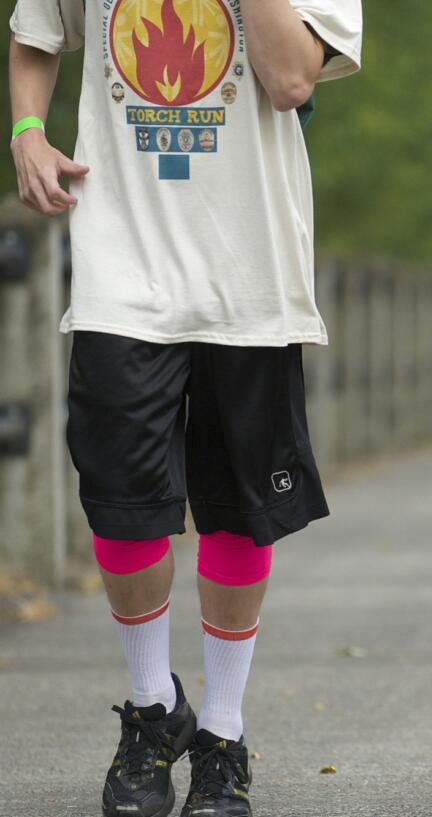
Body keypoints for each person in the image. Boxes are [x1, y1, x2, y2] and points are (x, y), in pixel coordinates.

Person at [9, 2, 361, 815]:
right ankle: (152, 709)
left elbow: (290, 79)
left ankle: (223, 735)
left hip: (252, 277)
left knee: (239, 511)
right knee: (123, 507)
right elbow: (34, 33)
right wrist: (27, 127)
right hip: (120, 271)